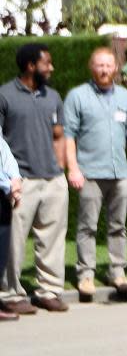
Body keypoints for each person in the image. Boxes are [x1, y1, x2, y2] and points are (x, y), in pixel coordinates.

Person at [64, 47, 127, 297]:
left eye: (108, 65)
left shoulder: (125, 97)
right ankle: (86, 275)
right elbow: (69, 137)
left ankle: (117, 272)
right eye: (99, 65)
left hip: (120, 172)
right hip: (89, 173)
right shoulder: (78, 96)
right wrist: (73, 168)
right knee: (87, 226)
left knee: (118, 226)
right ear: (91, 66)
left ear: (115, 68)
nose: (104, 70)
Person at [0, 42, 70, 314]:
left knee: (52, 239)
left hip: (53, 179)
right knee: (13, 242)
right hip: (21, 181)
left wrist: (60, 170)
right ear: (31, 65)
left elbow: (58, 135)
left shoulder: (52, 96)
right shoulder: (5, 95)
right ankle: (11, 293)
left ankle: (48, 290)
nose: (51, 68)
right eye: (47, 63)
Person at [0, 128, 23, 321]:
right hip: (4, 189)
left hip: (4, 194)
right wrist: (8, 185)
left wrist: (15, 177)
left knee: (1, 252)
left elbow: (3, 148)